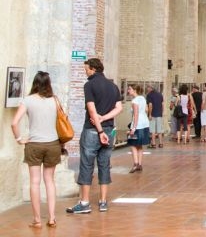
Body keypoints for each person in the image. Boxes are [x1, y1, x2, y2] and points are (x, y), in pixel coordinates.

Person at [67, 58, 122, 214]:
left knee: (87, 164)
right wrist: (105, 119)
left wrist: (99, 129)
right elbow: (118, 108)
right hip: (110, 129)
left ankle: (84, 203)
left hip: (93, 130)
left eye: (86, 70)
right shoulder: (113, 86)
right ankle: (103, 201)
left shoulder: (89, 85)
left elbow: (91, 110)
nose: (86, 72)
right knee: (104, 164)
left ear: (93, 69)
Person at [10, 71, 62, 228]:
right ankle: (52, 218)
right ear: (48, 83)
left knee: (34, 182)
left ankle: (37, 220)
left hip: (34, 144)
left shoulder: (27, 100)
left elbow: (14, 123)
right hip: (53, 144)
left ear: (35, 83)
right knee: (50, 181)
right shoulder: (55, 100)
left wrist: (19, 139)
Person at [126, 84, 150, 173]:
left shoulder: (135, 101)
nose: (128, 91)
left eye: (129, 89)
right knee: (139, 145)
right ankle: (139, 164)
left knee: (132, 144)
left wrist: (133, 128)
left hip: (138, 125)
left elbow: (136, 115)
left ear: (135, 90)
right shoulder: (143, 98)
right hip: (145, 123)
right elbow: (146, 110)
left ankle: (135, 164)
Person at [145, 84, 164, 149]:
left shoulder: (149, 95)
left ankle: (153, 144)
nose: (147, 89)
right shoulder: (160, 94)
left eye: (147, 87)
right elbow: (162, 105)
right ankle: (161, 143)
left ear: (150, 88)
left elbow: (150, 105)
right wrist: (161, 113)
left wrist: (149, 114)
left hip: (153, 114)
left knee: (152, 130)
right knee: (159, 130)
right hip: (159, 114)